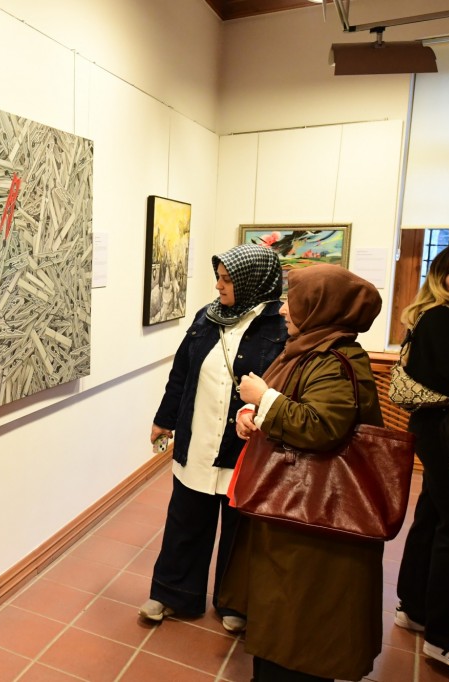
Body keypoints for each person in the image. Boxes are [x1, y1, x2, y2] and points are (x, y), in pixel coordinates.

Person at [220, 264, 385, 682]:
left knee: (301, 630)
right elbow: (290, 401)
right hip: (294, 508)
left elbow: (322, 426)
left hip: (315, 520)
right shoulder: (310, 349)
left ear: (321, 307)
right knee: (284, 620)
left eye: (294, 301)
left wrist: (264, 400)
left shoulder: (335, 360)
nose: (283, 310)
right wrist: (252, 411)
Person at [139, 244, 286, 634]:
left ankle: (235, 601)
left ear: (252, 281)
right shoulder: (207, 316)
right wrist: (164, 420)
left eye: (227, 280)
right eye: (218, 278)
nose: (218, 286)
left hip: (246, 445)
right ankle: (172, 593)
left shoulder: (281, 326)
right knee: (185, 521)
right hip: (200, 437)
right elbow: (182, 373)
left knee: (241, 530)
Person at [393, 243, 449, 678]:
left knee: (433, 517)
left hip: (439, 432)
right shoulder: (446, 319)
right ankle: (447, 638)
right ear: (439, 277)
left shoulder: (448, 317)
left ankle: (416, 607)